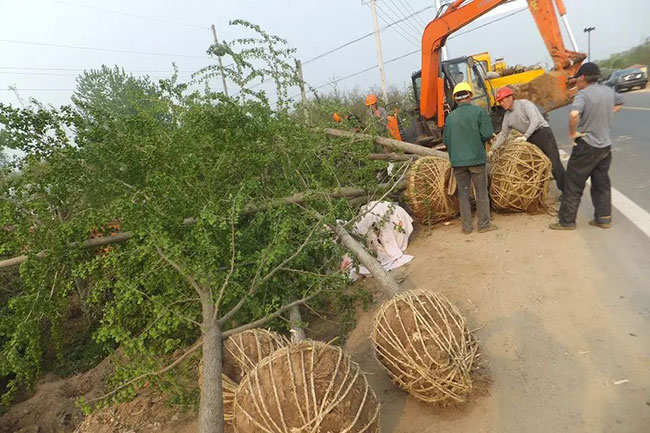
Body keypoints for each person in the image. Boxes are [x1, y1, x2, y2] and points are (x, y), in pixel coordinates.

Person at [550, 62, 624, 230]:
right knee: (601, 183)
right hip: (605, 146)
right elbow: (620, 101)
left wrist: (571, 134)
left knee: (573, 184)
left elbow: (574, 114)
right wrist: (607, 113)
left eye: (577, 78)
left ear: (583, 77)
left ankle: (567, 221)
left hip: (587, 147)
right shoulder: (607, 90)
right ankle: (603, 218)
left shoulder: (583, 95)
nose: (576, 82)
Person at [443, 82, 497, 234]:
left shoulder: (450, 117)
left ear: (455, 99)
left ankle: (466, 227)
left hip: (458, 163)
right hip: (476, 160)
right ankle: (484, 225)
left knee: (463, 194)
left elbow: (446, 140)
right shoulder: (478, 112)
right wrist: (476, 139)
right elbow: (487, 134)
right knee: (480, 192)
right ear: (470, 95)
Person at [491, 86, 566, 193]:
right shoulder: (507, 117)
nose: (501, 103)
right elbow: (503, 134)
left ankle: (566, 190)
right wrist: (492, 149)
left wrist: (525, 136)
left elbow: (535, 120)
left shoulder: (525, 104)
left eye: (502, 100)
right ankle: (538, 194)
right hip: (530, 139)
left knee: (554, 164)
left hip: (543, 133)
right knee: (535, 167)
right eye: (500, 102)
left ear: (510, 97)